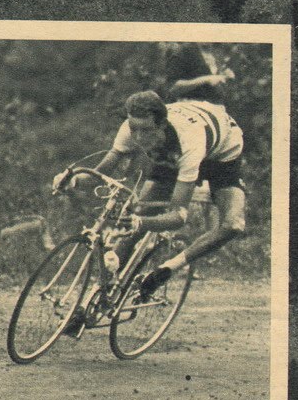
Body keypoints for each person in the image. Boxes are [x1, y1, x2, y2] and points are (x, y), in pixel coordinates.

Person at [53, 86, 246, 320]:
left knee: (233, 224)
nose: (139, 138)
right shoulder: (131, 128)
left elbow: (178, 217)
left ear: (162, 125)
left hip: (221, 153)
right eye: (135, 129)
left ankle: (167, 270)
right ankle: (94, 300)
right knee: (137, 213)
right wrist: (70, 180)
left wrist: (141, 222)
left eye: (146, 131)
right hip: (171, 152)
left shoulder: (189, 143)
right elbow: (99, 172)